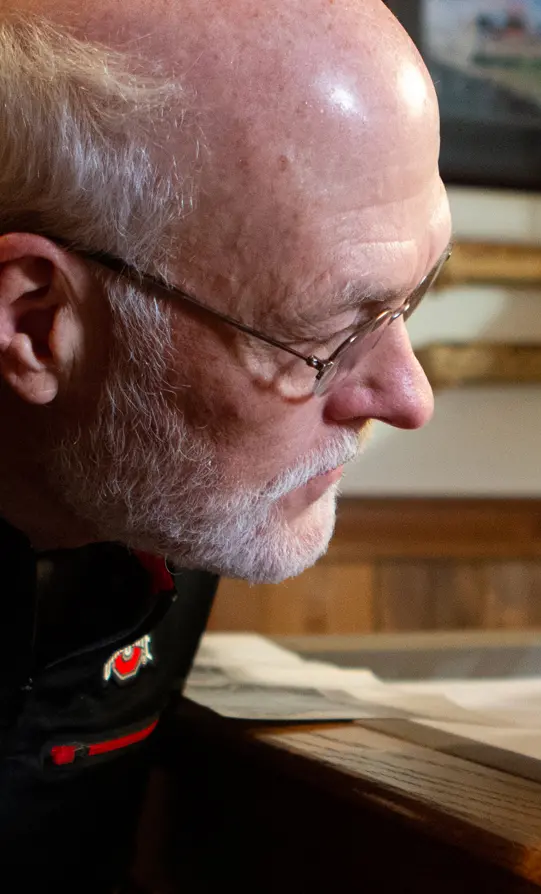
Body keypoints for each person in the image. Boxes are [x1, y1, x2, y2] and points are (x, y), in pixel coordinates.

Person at [0, 0, 448, 885]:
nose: (409, 396)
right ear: (36, 321)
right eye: (325, 335)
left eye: (413, 299)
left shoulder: (156, 490)